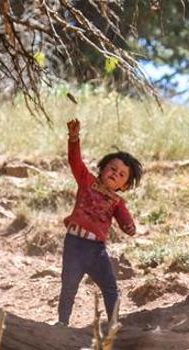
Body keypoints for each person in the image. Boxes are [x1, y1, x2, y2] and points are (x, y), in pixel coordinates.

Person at [56, 118, 143, 326]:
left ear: (125, 185)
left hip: (96, 249)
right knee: (68, 285)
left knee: (110, 286)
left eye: (121, 175)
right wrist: (74, 138)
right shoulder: (86, 181)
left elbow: (125, 221)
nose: (115, 174)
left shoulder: (117, 201)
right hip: (75, 244)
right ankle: (62, 323)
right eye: (112, 168)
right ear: (102, 168)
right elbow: (75, 161)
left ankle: (114, 324)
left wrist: (130, 227)